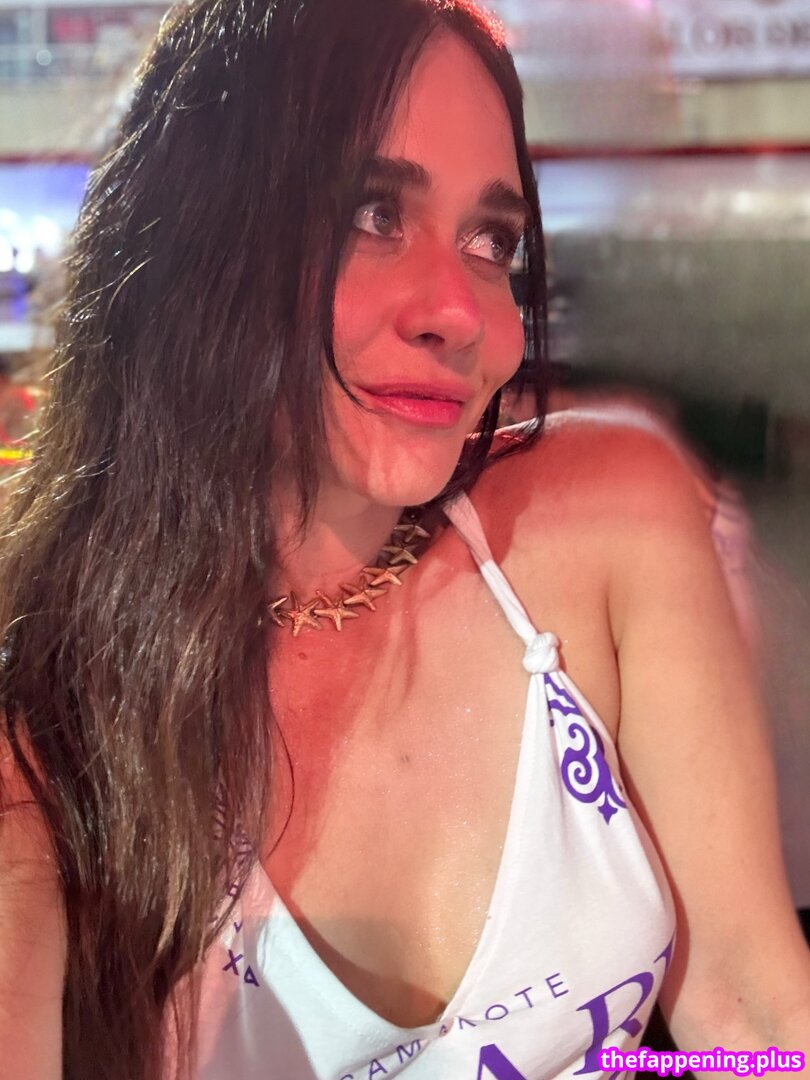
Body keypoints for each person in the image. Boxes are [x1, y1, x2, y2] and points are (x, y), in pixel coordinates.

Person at [0, 1, 808, 1078]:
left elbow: (755, 1019)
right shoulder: (46, 719)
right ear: (197, 235)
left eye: (493, 242)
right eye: (373, 212)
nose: (461, 313)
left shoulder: (610, 518)